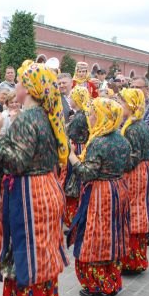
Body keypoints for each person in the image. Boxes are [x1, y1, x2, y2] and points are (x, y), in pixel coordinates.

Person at [0, 59, 69, 296]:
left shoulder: (26, 118)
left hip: (29, 195)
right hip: (45, 188)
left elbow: (17, 162)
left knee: (28, 257)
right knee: (42, 256)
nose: (18, 85)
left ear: (29, 88)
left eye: (21, 81)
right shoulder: (46, 116)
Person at [67, 97, 131, 296]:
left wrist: (71, 156)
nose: (91, 117)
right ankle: (111, 281)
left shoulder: (98, 141)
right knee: (112, 235)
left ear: (103, 115)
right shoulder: (121, 138)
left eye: (94, 113)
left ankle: (99, 285)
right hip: (118, 189)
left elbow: (87, 173)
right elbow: (128, 165)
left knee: (95, 237)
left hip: (100, 194)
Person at [119, 89, 149, 274]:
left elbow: (132, 158)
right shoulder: (139, 124)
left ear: (130, 104)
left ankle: (130, 261)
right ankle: (137, 259)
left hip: (134, 173)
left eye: (122, 102)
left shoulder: (133, 128)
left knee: (132, 214)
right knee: (138, 213)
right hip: (144, 170)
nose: (120, 105)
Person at [63, 86, 91, 227]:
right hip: (82, 147)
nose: (70, 99)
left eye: (72, 97)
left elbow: (69, 133)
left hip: (77, 149)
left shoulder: (79, 117)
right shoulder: (84, 113)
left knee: (73, 183)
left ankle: (74, 221)